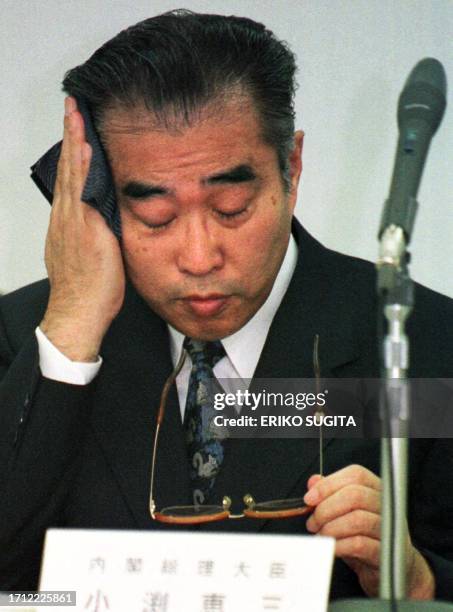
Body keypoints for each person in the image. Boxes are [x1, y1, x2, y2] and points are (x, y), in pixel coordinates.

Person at [1, 9, 453, 602]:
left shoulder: (421, 346)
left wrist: (416, 580)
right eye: (155, 216)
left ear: (290, 167)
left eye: (232, 207)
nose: (199, 256)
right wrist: (70, 334)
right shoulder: (28, 339)